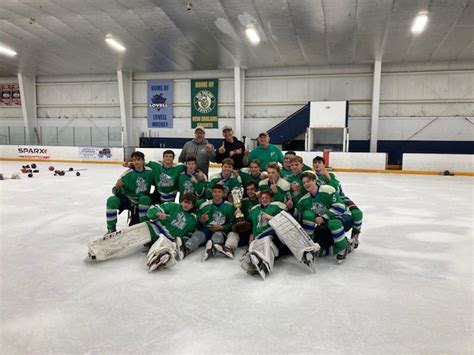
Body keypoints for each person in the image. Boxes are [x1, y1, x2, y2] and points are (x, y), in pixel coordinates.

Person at [87, 193, 197, 271]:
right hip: (152, 228)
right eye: (185, 202)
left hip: (167, 239)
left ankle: (158, 260)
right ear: (181, 201)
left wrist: (181, 242)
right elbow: (152, 210)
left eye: (190, 203)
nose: (187, 205)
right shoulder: (173, 206)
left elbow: (189, 234)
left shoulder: (192, 219)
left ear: (193, 205)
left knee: (165, 251)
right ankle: (98, 249)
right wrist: (158, 214)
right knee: (126, 238)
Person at [297, 172, 352, 263]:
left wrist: (324, 218)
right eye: (304, 182)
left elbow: (340, 207)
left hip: (344, 217)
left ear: (315, 180)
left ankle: (343, 247)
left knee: (333, 223)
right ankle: (314, 245)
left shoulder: (327, 190)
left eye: (308, 181)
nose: (306, 184)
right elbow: (298, 214)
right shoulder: (304, 200)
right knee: (319, 248)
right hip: (326, 224)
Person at [313, 156, 363, 249]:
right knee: (330, 221)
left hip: (340, 198)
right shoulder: (312, 177)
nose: (317, 164)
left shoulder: (331, 175)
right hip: (325, 202)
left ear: (324, 165)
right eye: (315, 162)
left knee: (357, 214)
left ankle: (355, 237)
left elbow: (337, 189)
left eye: (319, 162)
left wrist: (328, 177)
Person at [180, 184, 237, 261]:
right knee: (198, 234)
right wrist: (202, 220)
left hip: (220, 231)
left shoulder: (229, 206)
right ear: (211, 193)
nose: (217, 194)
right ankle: (187, 248)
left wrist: (222, 227)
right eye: (215, 192)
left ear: (223, 193)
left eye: (219, 192)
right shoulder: (204, 206)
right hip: (206, 230)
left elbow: (232, 224)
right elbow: (198, 223)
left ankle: (212, 248)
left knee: (218, 234)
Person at [240, 190, 286, 279]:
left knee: (267, 242)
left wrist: (270, 218)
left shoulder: (275, 207)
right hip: (258, 236)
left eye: (266, 198)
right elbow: (253, 224)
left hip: (272, 234)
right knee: (255, 246)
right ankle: (255, 263)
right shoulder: (255, 210)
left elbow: (282, 221)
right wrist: (251, 234)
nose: (264, 199)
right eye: (262, 198)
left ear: (271, 199)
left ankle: (265, 264)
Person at [106, 151, 154, 233]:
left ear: (143, 161)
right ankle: (111, 228)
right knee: (111, 200)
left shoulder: (150, 172)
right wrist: (117, 187)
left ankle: (145, 228)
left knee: (145, 199)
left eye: (138, 159)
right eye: (134, 160)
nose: (136, 162)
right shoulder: (127, 174)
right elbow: (115, 191)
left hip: (143, 201)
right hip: (129, 200)